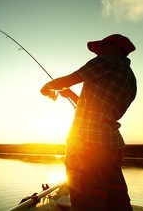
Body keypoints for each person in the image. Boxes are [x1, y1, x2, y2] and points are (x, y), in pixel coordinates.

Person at [40, 34, 137, 211]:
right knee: (115, 195)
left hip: (88, 144)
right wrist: (70, 94)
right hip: (112, 145)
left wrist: (48, 86)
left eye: (102, 47)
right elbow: (99, 110)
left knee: (85, 195)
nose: (98, 52)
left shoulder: (106, 61)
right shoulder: (131, 78)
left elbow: (71, 79)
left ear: (114, 47)